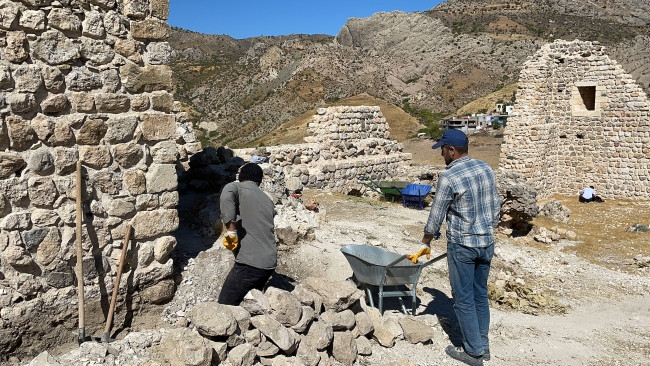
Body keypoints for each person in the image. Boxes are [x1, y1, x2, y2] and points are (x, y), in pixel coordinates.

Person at [408, 129, 501, 366]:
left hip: (464, 246)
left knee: (463, 298)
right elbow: (496, 208)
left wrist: (426, 242)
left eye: (442, 149)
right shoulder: (485, 168)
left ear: (452, 150)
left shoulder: (449, 177)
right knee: (480, 294)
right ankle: (483, 345)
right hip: (487, 244)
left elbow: (435, 216)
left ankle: (473, 353)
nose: (441, 154)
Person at [218, 163, 277, 305]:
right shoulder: (267, 199)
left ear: (241, 177)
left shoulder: (236, 187)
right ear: (259, 181)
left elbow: (226, 197)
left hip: (249, 263)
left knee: (225, 306)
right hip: (269, 263)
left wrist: (231, 232)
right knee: (251, 305)